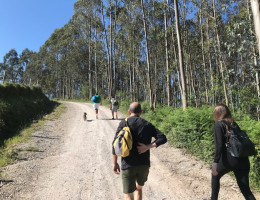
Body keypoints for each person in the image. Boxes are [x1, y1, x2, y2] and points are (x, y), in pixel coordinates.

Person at [112, 102, 167, 200]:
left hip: (127, 164)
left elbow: (115, 144)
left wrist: (115, 163)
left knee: (128, 194)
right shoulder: (147, 124)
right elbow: (162, 138)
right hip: (143, 164)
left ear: (129, 111)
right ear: (141, 112)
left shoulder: (124, 123)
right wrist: (148, 146)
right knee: (139, 189)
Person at [211, 104, 256, 200]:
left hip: (230, 159)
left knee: (215, 176)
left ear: (217, 114)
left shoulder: (218, 124)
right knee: (246, 190)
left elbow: (219, 146)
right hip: (243, 159)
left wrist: (215, 163)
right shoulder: (234, 124)